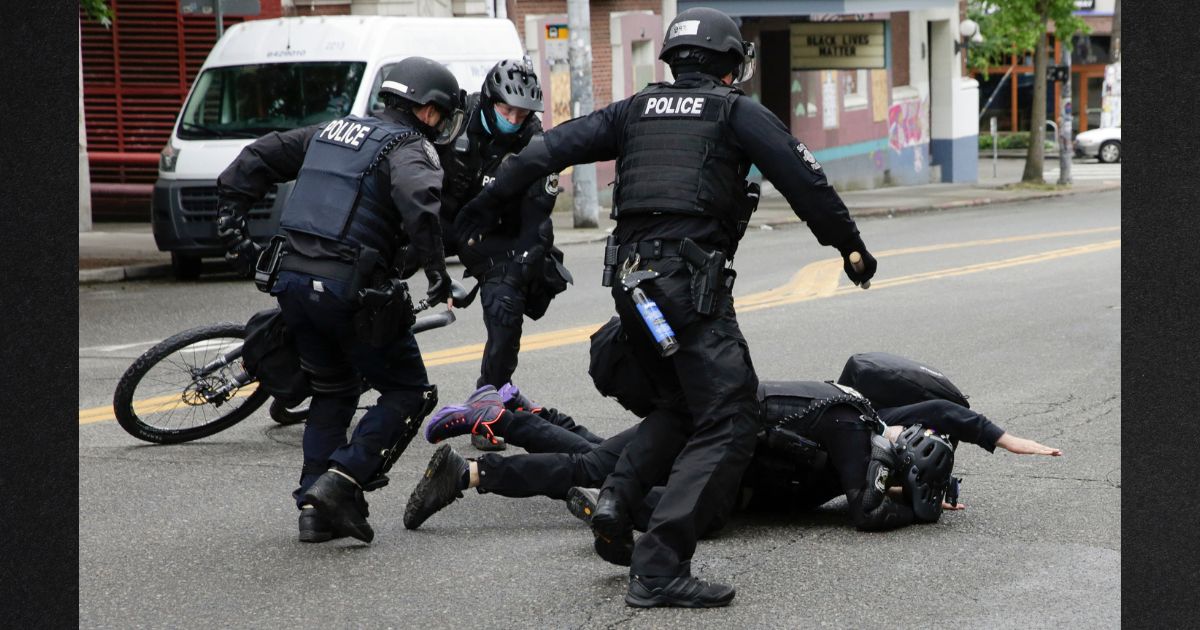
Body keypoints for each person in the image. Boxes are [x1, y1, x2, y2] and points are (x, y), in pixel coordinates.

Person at [453, 7, 877, 608]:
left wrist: (482, 204)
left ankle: (617, 504)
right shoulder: (735, 112)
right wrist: (850, 248)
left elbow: (545, 150)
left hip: (632, 288)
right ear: (730, 63)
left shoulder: (634, 110)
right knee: (731, 416)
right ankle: (659, 565)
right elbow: (804, 179)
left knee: (682, 407)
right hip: (686, 289)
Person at [215, 57, 465, 544]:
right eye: (441, 115)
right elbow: (419, 201)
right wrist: (438, 272)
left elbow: (253, 160)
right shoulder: (408, 145)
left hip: (289, 282)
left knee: (333, 389)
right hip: (350, 290)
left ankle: (316, 510)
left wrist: (233, 230)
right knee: (408, 391)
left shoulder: (330, 132)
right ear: (429, 112)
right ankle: (343, 480)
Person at [402, 369, 1061, 547]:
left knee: (599, 458)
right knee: (602, 470)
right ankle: (473, 471)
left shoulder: (870, 420)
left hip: (716, 433)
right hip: (705, 426)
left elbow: (941, 417)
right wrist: (916, 508)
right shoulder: (852, 428)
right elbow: (865, 509)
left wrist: (1000, 439)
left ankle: (511, 416)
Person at [437, 59, 570, 422]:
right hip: (439, 223)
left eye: (521, 113)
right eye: (505, 109)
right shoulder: (455, 120)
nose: (513, 119)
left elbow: (538, 213)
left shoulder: (535, 142)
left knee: (506, 308)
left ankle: (490, 399)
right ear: (488, 99)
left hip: (494, 234)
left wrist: (523, 263)